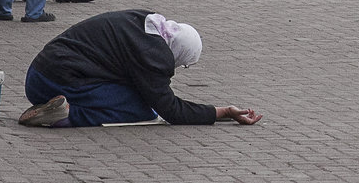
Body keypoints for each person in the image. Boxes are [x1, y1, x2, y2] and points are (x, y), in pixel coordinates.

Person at [18, 9, 263, 128]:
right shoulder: (154, 55)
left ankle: (49, 106)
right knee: (141, 110)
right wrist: (223, 112)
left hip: (37, 76)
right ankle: (67, 116)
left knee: (130, 93)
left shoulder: (145, 22)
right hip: (58, 80)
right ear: (178, 53)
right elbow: (171, 110)